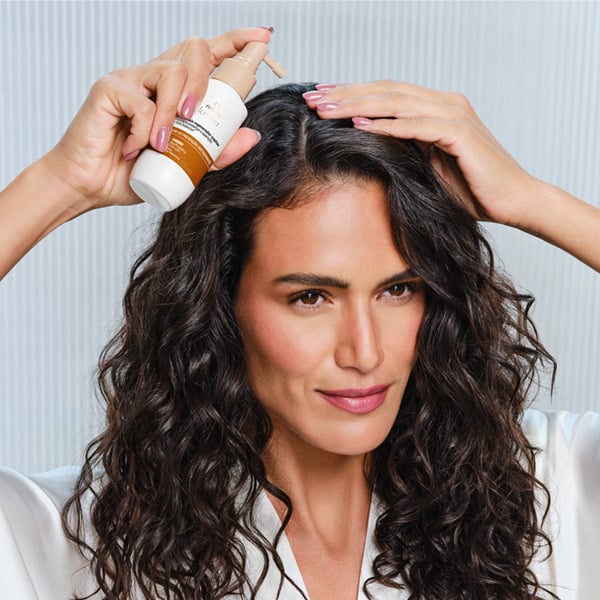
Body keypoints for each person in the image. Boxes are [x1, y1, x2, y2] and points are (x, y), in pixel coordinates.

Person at [1, 30, 599, 600]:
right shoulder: (79, 540)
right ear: (219, 305)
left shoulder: (550, 486)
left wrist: (531, 200)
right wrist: (62, 184)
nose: (364, 352)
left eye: (398, 290)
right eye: (311, 297)